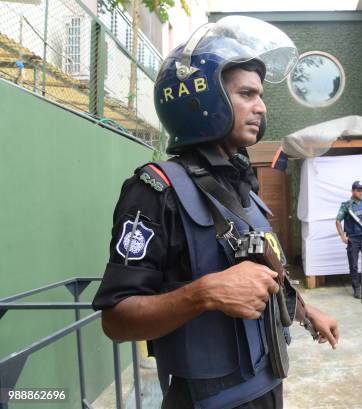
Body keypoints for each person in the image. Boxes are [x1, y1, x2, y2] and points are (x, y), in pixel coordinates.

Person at [92, 16, 339, 409]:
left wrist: (308, 313)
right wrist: (203, 294)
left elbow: (267, 272)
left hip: (267, 386)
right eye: (246, 94)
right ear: (201, 100)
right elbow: (116, 320)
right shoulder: (155, 191)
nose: (260, 107)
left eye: (260, 95)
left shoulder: (242, 185)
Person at [335, 181, 362, 299]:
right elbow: (338, 220)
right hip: (353, 240)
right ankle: (357, 289)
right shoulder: (346, 205)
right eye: (358, 190)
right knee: (353, 266)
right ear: (353, 191)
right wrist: (342, 235)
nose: (360, 192)